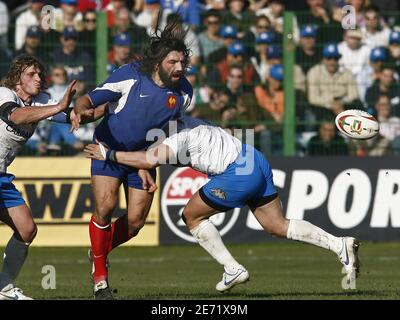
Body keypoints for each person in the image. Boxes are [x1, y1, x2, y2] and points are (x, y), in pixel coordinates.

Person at [84, 119, 360, 292]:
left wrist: (109, 153)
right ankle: (339, 245)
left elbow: (147, 159)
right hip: (254, 159)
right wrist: (145, 167)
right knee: (277, 225)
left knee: (190, 216)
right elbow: (149, 160)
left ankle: (232, 268)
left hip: (238, 172)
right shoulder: (192, 123)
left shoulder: (175, 137)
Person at [71, 16, 193, 300]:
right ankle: (100, 280)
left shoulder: (185, 93)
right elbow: (89, 100)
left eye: (182, 63)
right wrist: (80, 111)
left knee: (136, 223)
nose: (179, 68)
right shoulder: (130, 75)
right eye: (172, 62)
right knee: (106, 205)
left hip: (141, 158)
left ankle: (97, 251)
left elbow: (167, 132)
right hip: (107, 148)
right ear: (158, 61)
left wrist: (148, 164)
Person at [0, 55, 77, 300]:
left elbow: (71, 114)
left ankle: (4, 288)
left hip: (1, 177)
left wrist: (105, 108)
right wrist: (58, 108)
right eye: (31, 74)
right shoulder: (4, 94)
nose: (38, 78)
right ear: (17, 79)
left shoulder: (41, 100)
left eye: (39, 74)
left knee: (27, 229)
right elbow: (15, 116)